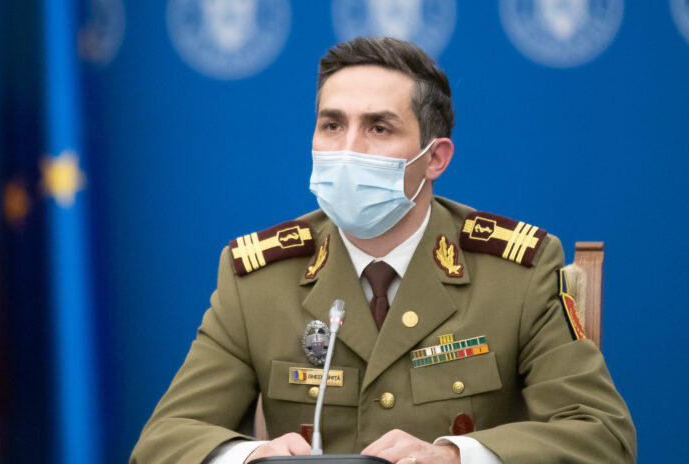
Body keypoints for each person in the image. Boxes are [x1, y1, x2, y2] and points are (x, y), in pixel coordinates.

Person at [130, 37, 636, 464]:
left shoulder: (516, 272)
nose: (348, 148)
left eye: (378, 128)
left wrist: (456, 456)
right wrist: (251, 457)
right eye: (332, 125)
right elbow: (163, 441)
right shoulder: (257, 280)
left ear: (435, 158)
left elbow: (602, 435)